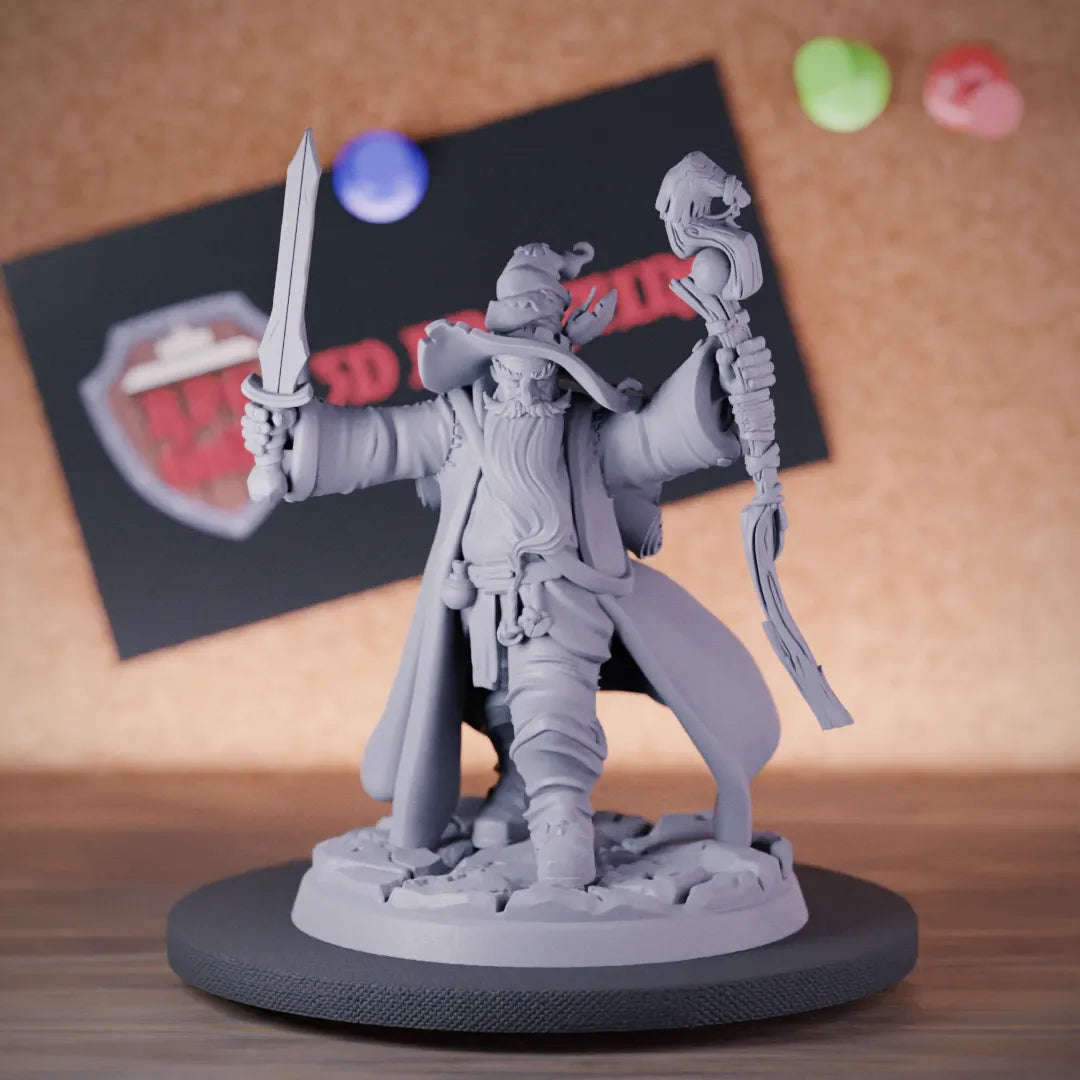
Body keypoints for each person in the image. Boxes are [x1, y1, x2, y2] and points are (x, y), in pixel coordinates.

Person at [242, 241, 779, 888]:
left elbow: (653, 439)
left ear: (561, 356)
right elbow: (373, 443)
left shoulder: (586, 428)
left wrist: (721, 384)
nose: (526, 373)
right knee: (501, 709)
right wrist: (291, 436)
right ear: (491, 354)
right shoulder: (454, 425)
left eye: (540, 356)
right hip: (477, 604)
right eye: (513, 355)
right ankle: (520, 788)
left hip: (565, 596)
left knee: (553, 710)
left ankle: (561, 822)